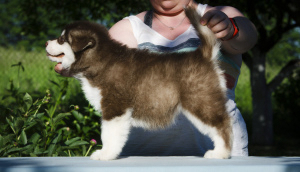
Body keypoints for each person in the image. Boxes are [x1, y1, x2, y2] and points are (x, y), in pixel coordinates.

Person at [56, 0, 257, 157]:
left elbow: (248, 38)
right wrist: (79, 64)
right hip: (141, 157)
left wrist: (231, 29)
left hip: (218, 155)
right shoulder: (129, 27)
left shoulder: (222, 14)